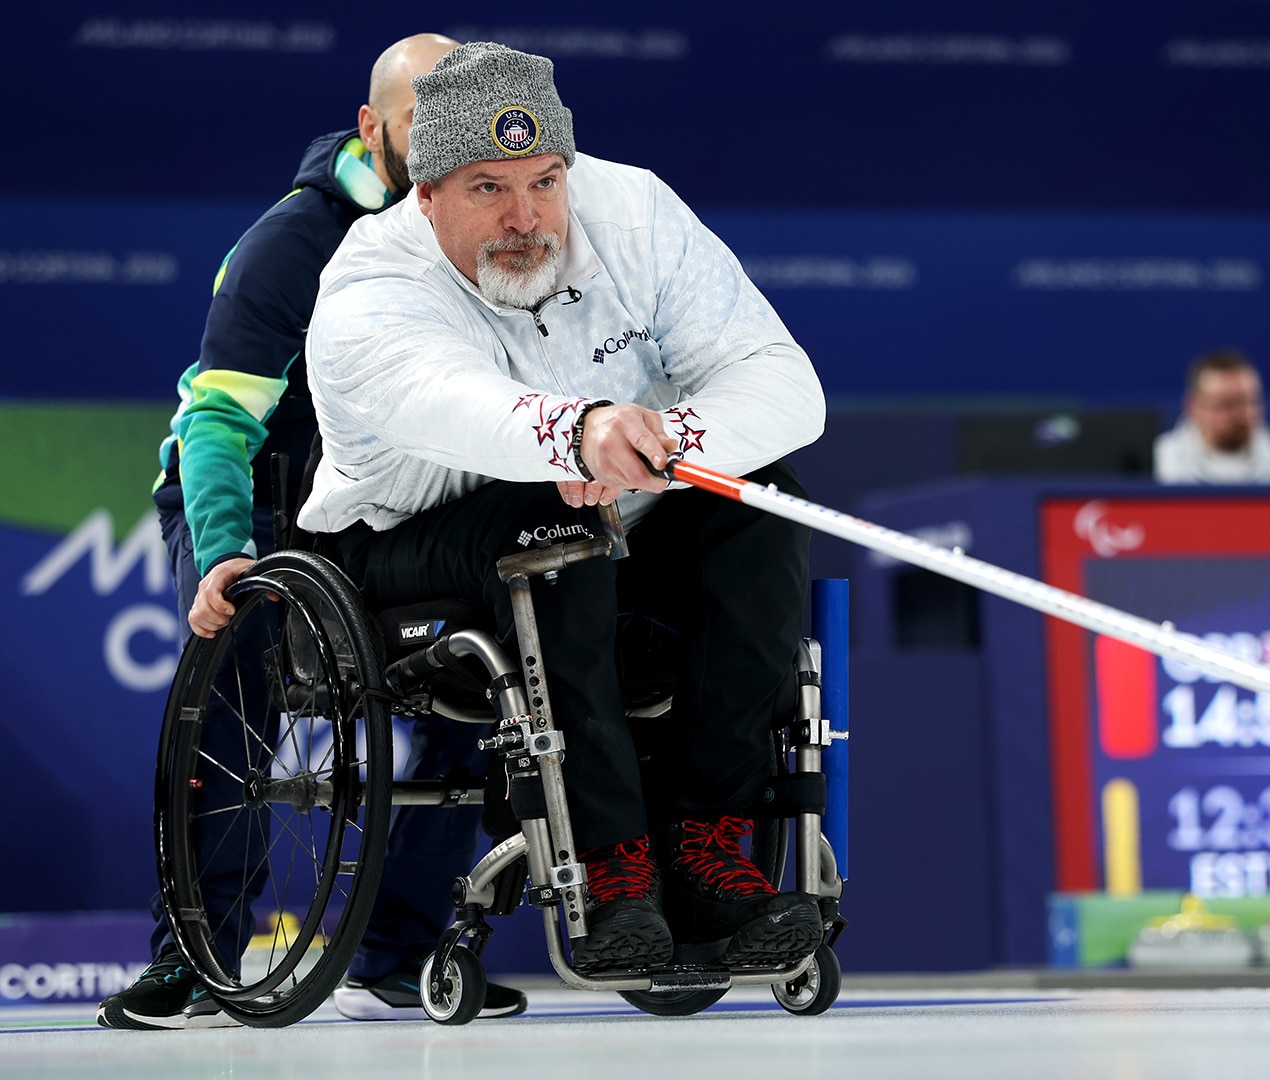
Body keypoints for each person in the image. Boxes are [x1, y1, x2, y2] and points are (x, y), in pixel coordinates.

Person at [296, 43, 828, 978]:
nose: (526, 217)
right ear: (426, 197)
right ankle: (609, 863)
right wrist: (577, 434)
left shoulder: (634, 212)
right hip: (406, 538)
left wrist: (674, 446)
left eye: (545, 182)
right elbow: (448, 403)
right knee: (558, 531)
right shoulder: (369, 284)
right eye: (487, 189)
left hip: (604, 497)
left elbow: (786, 385)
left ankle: (708, 846)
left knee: (765, 500)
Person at [98, 34, 531, 1031]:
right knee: (238, 665)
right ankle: (199, 959)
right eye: (427, 116)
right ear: (374, 127)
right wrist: (224, 555)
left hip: (392, 506)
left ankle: (399, 950)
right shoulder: (294, 242)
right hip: (259, 500)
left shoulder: (491, 231)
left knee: (484, 667)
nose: (450, 140)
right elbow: (214, 422)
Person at [1153, 348, 1270, 484]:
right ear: (1193, 407)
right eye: (1227, 404)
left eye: (1250, 402)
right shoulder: (1156, 468)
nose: (1241, 414)